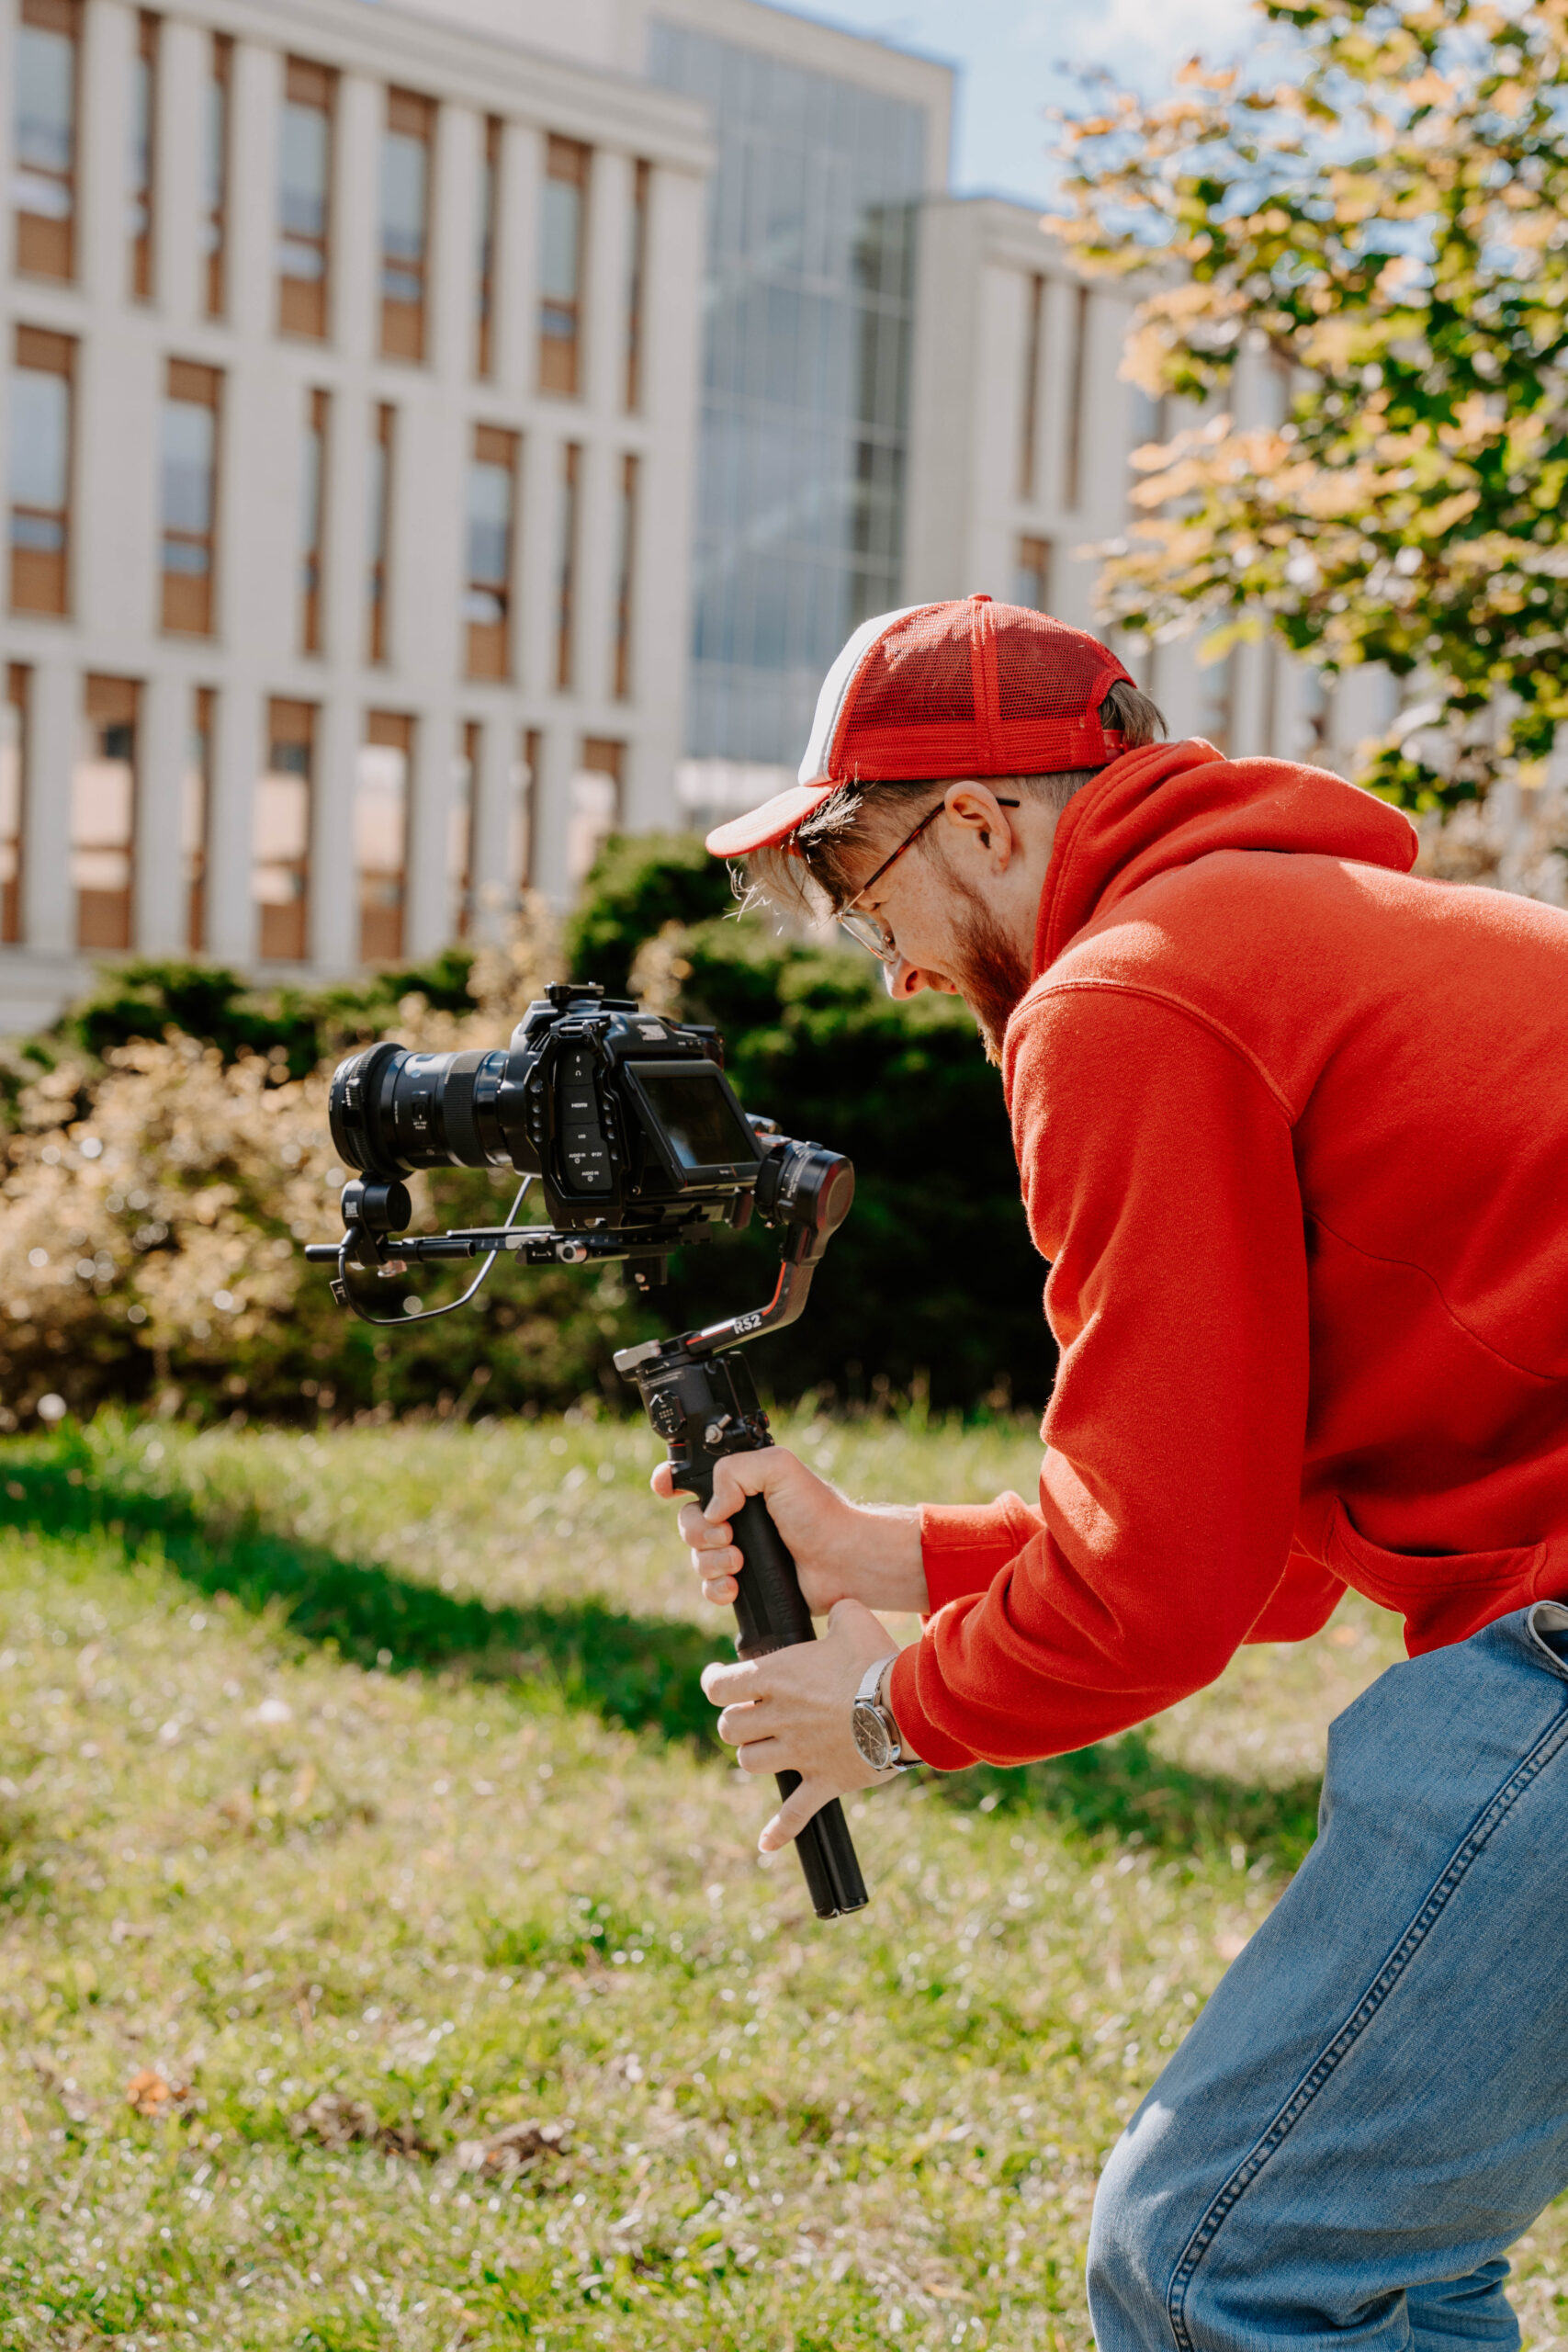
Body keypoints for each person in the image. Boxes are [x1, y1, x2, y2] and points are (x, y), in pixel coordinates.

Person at [652, 594, 1568, 2352]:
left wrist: (887, 1717)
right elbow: (1260, 1543)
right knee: (1375, 2245)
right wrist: (890, 1552)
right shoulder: (1300, 929)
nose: (897, 968)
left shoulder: (1130, 995)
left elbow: (1161, 1589)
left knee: (1226, 2257)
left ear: (981, 823)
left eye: (867, 894)